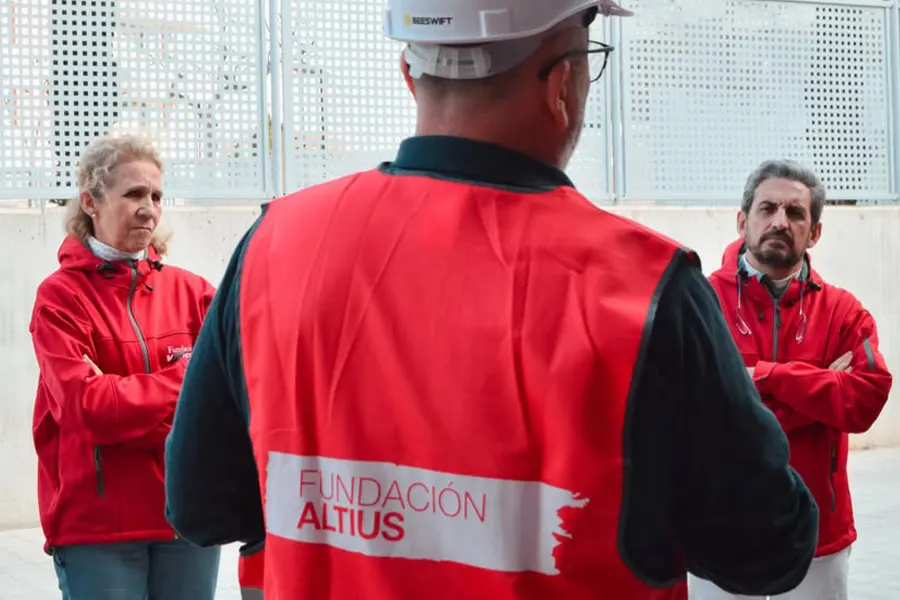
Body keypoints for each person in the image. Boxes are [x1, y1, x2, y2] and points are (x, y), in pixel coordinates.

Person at [165, 2, 818, 599]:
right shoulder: (644, 286)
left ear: (409, 74)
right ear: (563, 84)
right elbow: (764, 547)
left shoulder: (275, 245)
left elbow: (202, 506)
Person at [28, 132, 222, 600]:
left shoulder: (194, 293)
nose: (149, 208)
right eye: (134, 193)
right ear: (90, 202)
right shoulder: (59, 299)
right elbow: (86, 409)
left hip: (186, 517)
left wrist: (124, 399)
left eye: (156, 195)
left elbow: (230, 396)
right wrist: (188, 386)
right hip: (97, 528)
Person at [691, 160, 893, 600]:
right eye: (768, 208)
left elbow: (863, 401)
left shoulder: (844, 312)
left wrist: (762, 378)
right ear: (744, 220)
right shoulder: (699, 302)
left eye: (795, 213)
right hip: (718, 527)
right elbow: (686, 410)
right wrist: (821, 389)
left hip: (818, 532)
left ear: (814, 232)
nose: (780, 222)